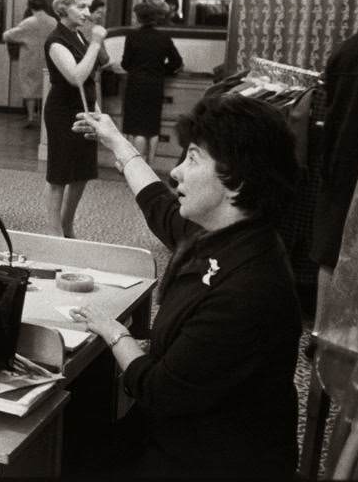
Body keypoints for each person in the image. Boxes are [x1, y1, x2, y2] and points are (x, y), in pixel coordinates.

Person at [70, 94, 302, 478]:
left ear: (237, 181)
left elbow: (158, 391)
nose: (176, 172)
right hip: (185, 435)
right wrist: (116, 141)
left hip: (212, 460)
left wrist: (114, 333)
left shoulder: (249, 288)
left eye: (192, 158)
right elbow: (157, 205)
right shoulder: (227, 232)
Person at [310, 0, 358, 325]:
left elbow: (328, 112)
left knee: (330, 254)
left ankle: (320, 331)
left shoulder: (345, 51)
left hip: (341, 164)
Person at [43, 0, 106, 237]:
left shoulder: (77, 34)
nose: (87, 13)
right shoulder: (55, 40)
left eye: (87, 7)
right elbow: (76, 77)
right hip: (62, 113)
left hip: (83, 110)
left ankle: (67, 224)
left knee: (81, 172)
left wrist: (97, 109)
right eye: (81, 7)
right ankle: (54, 230)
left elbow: (89, 80)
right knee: (59, 175)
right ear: (64, 7)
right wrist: (96, 43)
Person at [121, 0, 184, 165]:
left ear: (139, 18)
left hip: (135, 84)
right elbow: (177, 62)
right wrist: (162, 70)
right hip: (155, 84)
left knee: (137, 129)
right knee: (152, 127)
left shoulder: (132, 36)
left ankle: (137, 166)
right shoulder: (163, 37)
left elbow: (125, 63)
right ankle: (150, 164)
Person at [2, 0, 57, 128]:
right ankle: (45, 118)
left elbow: (7, 35)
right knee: (46, 88)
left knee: (30, 88)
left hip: (30, 60)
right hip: (49, 60)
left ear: (31, 7)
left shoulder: (28, 22)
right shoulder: (53, 21)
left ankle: (31, 117)